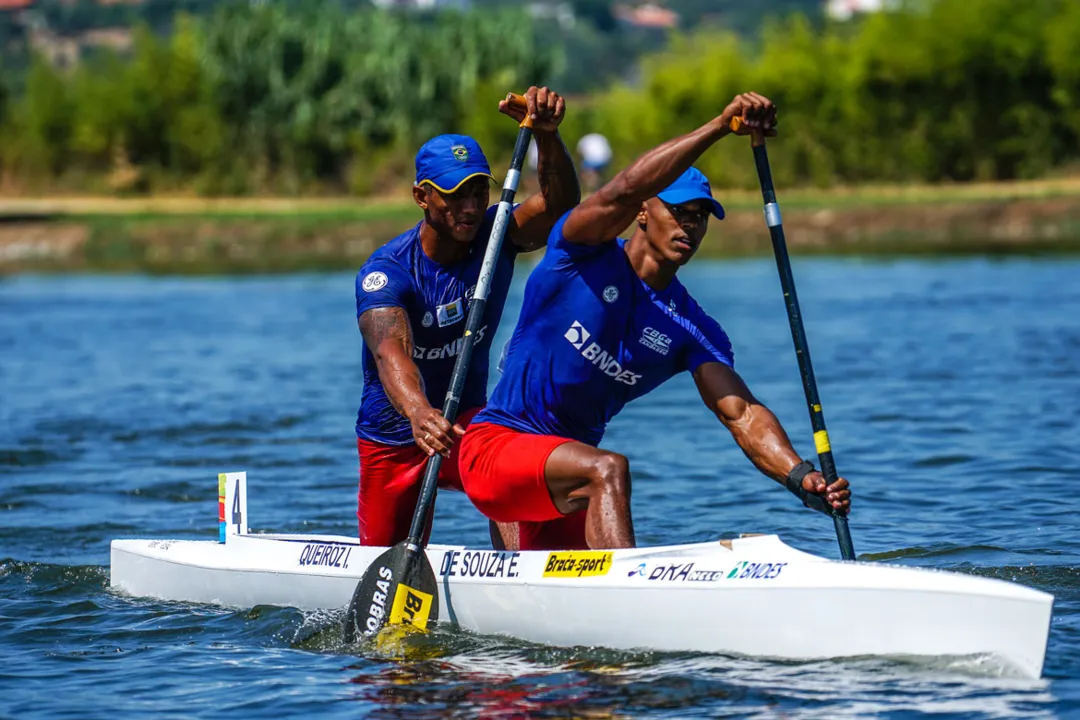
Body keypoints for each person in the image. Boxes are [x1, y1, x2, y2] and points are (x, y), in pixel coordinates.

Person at [458, 92, 851, 550]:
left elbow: (742, 414)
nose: (690, 226)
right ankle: (631, 595)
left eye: (700, 217)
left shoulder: (690, 326)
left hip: (564, 484)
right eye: (678, 212)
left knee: (587, 507)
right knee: (609, 469)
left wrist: (800, 476)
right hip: (496, 450)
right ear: (643, 211)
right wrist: (719, 128)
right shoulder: (579, 251)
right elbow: (622, 188)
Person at [354, 86, 580, 548]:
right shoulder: (387, 272)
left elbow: (560, 206)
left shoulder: (498, 235)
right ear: (421, 195)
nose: (471, 207)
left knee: (513, 476)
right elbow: (389, 353)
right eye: (455, 195)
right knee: (384, 553)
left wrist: (548, 136)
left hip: (469, 423)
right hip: (395, 437)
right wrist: (419, 412)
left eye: (479, 190)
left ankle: (522, 579)